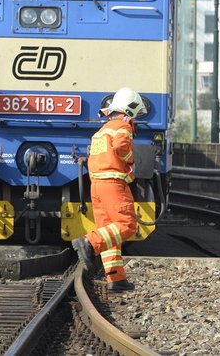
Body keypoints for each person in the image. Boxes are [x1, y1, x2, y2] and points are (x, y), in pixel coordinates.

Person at [71, 87, 145, 292]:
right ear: (130, 109)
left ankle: (116, 278)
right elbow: (122, 146)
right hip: (113, 183)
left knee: (110, 232)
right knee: (126, 225)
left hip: (98, 185)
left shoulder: (101, 131)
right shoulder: (122, 126)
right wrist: (130, 161)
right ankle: (88, 243)